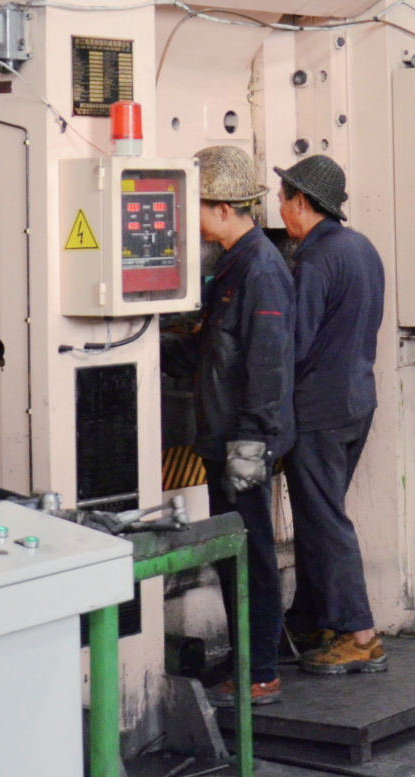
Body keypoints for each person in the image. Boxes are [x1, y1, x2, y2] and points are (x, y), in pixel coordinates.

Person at [164, 144, 295, 706]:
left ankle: (260, 672)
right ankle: (250, 664)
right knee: (235, 555)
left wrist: (251, 440)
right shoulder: (234, 264)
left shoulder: (259, 269)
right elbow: (215, 351)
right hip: (226, 437)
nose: (188, 217)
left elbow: (267, 362)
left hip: (243, 441)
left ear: (222, 209)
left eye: (194, 205)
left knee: (251, 558)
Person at [275, 154, 388, 676]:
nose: (279, 209)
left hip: (320, 410)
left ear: (301, 201)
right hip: (357, 402)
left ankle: (360, 635)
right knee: (319, 517)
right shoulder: (361, 248)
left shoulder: (315, 260)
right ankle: (313, 618)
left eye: (282, 199)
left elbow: (295, 344)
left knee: (325, 521)